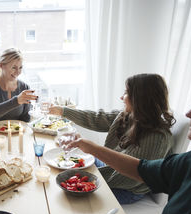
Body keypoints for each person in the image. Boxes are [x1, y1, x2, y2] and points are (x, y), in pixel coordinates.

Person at [66, 69, 191, 214]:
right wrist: (89, 147)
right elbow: (142, 168)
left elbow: (132, 177)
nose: (188, 113)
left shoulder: (158, 137)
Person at [50, 73, 174, 204]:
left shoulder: (157, 138)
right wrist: (63, 111)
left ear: (140, 99)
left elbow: (129, 178)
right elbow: (97, 119)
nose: (121, 97)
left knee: (65, 192)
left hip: (127, 189)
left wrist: (85, 174)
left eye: (126, 93)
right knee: (61, 168)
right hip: (111, 167)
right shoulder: (131, 115)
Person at [0, 48, 38, 123]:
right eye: (14, 67)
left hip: (16, 132)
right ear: (1, 65)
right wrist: (16, 101)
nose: (18, 72)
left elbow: (25, 118)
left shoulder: (24, 87)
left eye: (20, 68)